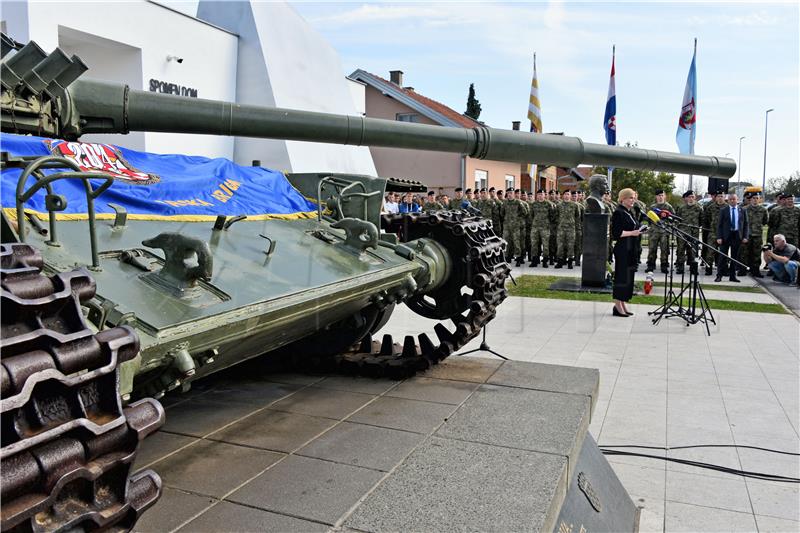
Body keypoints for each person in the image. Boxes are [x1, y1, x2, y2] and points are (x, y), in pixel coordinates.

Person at [611, 188, 642, 317]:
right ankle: (617, 305)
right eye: (630, 197)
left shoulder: (630, 212)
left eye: (634, 197)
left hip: (631, 249)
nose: (633, 200)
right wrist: (633, 233)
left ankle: (623, 303)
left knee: (628, 278)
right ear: (622, 199)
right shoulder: (618, 212)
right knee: (621, 278)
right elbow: (616, 233)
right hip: (623, 249)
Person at [715, 193, 748, 282]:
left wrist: (745, 236)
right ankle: (719, 275)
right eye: (731, 199)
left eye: (734, 199)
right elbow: (720, 225)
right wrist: (719, 237)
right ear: (728, 200)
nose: (733, 201)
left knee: (735, 257)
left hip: (737, 236)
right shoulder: (723, 210)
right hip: (726, 236)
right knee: (722, 256)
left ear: (737, 200)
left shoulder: (742, 210)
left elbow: (745, 225)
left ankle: (732, 276)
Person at [646, 189, 675, 274]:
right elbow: (648, 219)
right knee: (652, 249)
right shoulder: (652, 207)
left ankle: (664, 266)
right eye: (659, 195)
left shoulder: (669, 207)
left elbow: (673, 218)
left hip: (664, 232)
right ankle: (650, 265)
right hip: (654, 232)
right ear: (656, 197)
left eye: (662, 195)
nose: (660, 197)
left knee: (664, 249)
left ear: (665, 196)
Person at [674, 190, 703, 274]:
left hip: (694, 233)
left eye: (692, 197)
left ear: (695, 198)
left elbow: (702, 220)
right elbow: (677, 219)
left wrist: (696, 227)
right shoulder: (682, 208)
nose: (691, 199)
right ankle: (680, 268)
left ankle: (693, 269)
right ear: (686, 198)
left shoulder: (699, 208)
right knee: (681, 250)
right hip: (682, 232)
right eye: (689, 197)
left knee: (693, 251)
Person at [742, 193, 768, 277]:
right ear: (750, 199)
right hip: (746, 235)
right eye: (753, 198)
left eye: (757, 198)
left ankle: (756, 270)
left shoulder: (763, 210)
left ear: (759, 199)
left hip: (757, 235)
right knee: (744, 253)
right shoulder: (744, 209)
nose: (755, 200)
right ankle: (743, 269)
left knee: (756, 254)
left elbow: (765, 221)